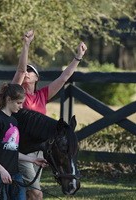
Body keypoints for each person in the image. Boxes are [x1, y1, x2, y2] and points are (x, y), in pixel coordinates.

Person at [12, 30, 87, 200]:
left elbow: (64, 77)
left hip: (38, 150)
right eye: (26, 71)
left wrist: (78, 57)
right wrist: (26, 45)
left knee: (30, 193)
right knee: (37, 194)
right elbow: (20, 69)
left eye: (31, 71)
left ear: (37, 78)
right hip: (20, 148)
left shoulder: (42, 95)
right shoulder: (16, 93)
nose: (27, 73)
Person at [0, 83, 48, 200]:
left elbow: (12, 150)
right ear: (8, 99)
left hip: (15, 175)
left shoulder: (14, 121)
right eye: (19, 103)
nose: (21, 107)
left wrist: (33, 160)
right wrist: (2, 171)